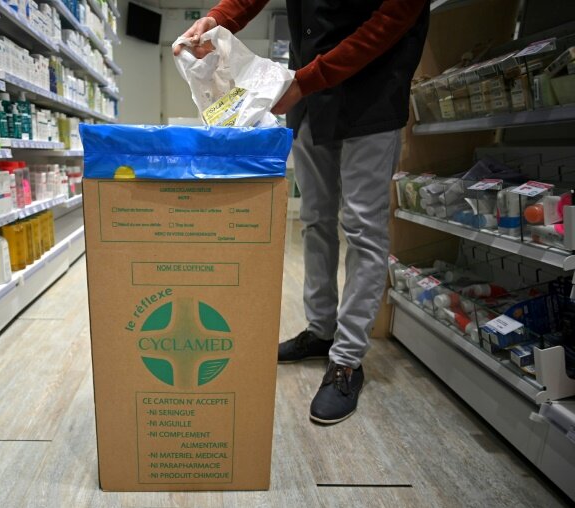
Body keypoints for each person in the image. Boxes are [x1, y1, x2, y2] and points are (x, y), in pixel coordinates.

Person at [175, 0, 429, 425]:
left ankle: (346, 361)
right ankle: (321, 331)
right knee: (314, 220)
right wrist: (216, 20)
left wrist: (307, 81)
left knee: (363, 227)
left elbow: (391, 20)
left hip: (371, 92)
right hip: (309, 98)